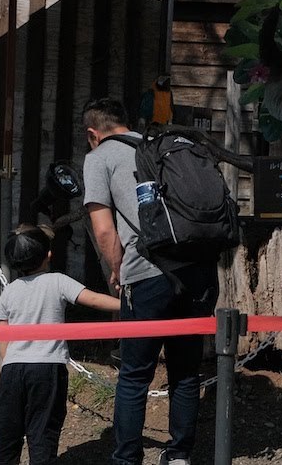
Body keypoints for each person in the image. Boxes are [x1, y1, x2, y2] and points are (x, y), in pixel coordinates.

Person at [83, 97, 219, 465]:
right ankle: (178, 457)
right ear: (126, 122)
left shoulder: (99, 158)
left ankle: (127, 458)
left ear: (93, 133)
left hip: (146, 275)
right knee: (185, 372)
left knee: (134, 377)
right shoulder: (160, 146)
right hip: (198, 273)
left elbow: (103, 229)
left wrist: (116, 270)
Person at [0, 225, 121, 465]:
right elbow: (92, 299)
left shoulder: (10, 291)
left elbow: (3, 330)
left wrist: (7, 362)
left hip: (12, 371)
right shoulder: (58, 281)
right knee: (43, 434)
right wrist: (126, 306)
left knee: (6, 436)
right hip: (47, 369)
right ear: (48, 255)